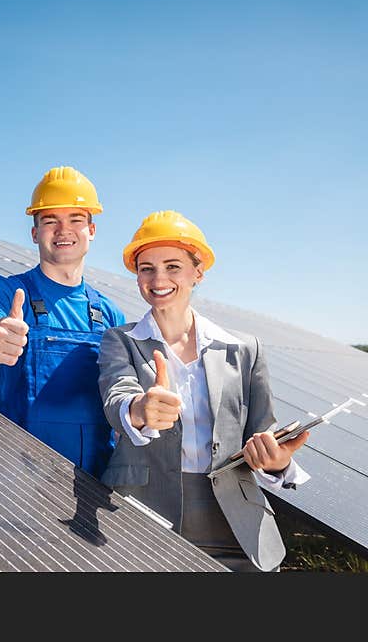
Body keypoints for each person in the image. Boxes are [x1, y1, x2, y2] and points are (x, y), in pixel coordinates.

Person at [97, 210, 310, 571]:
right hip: (142, 510)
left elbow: (263, 432)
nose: (158, 278)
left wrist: (277, 460)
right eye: (146, 268)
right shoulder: (120, 340)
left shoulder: (244, 349)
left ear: (198, 272)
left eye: (173, 266)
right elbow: (117, 397)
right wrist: (140, 409)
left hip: (234, 521)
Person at [0, 166, 126, 478]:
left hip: (92, 484)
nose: (63, 230)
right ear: (35, 233)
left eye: (75, 219)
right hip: (18, 482)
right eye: (50, 221)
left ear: (91, 230)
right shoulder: (8, 292)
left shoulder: (110, 313)